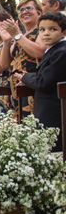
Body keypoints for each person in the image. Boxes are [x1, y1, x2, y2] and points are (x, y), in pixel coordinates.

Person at [18, 12, 66, 152]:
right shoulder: (53, 50)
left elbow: (43, 82)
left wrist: (25, 77)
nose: (46, 33)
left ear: (63, 32)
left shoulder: (61, 52)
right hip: (47, 108)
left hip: (54, 111)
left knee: (55, 151)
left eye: (53, 29)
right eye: (42, 29)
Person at [0, 0, 44, 116]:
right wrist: (7, 41)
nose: (24, 12)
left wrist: (17, 35)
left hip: (33, 87)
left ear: (39, 12)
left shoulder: (41, 31)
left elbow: (39, 53)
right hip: (16, 90)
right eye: (21, 10)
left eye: (29, 8)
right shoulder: (20, 35)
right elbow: (4, 65)